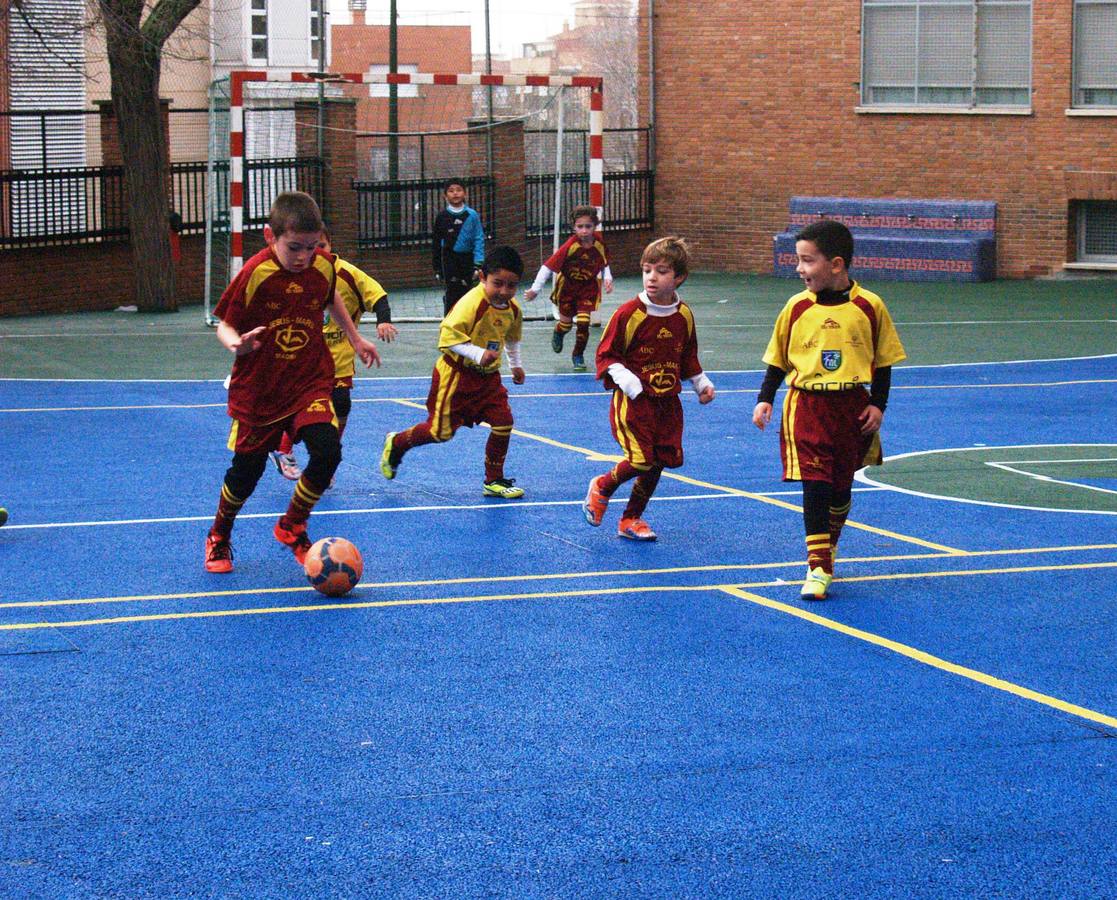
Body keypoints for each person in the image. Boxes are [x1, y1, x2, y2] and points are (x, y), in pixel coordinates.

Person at [204, 191, 380, 574]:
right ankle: (219, 534)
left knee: (328, 451)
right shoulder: (256, 273)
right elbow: (225, 324)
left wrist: (354, 337)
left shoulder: (322, 266)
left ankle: (292, 525)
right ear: (271, 237)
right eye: (294, 248)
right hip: (261, 388)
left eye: (312, 247)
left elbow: (331, 295)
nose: (304, 256)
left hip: (308, 379)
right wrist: (237, 344)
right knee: (246, 471)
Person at [752, 219, 906, 600]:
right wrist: (765, 397)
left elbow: (884, 361)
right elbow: (777, 358)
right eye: (798, 260)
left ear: (835, 265)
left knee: (840, 488)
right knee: (815, 485)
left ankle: (828, 544)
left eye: (808, 261)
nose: (800, 269)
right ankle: (818, 566)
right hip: (806, 405)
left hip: (852, 408)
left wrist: (878, 405)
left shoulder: (870, 306)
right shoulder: (796, 307)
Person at [582, 236, 715, 541]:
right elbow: (605, 356)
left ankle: (631, 519)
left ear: (678, 277)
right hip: (635, 404)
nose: (652, 277)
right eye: (647, 270)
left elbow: (687, 355)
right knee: (641, 459)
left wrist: (701, 383)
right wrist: (629, 383)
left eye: (662, 271)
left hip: (668, 403)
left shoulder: (683, 315)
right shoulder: (630, 314)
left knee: (659, 461)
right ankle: (602, 486)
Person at [380, 245, 527, 499]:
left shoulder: (513, 309)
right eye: (498, 283)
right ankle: (397, 443)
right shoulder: (471, 303)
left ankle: (494, 480)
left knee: (504, 422)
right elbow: (447, 338)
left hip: (488, 379)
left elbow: (512, 338)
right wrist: (478, 354)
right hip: (456, 375)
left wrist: (515, 364)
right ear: (482, 277)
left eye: (511, 285)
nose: (504, 292)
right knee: (440, 433)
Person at [269, 225, 398, 482]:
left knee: (341, 405)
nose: (315, 253)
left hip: (338, 359)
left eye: (321, 246)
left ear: (331, 247)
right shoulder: (294, 273)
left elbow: (378, 295)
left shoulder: (347, 274)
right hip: (304, 359)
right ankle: (283, 448)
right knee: (303, 410)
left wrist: (383, 320)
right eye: (308, 247)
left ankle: (325, 463)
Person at [524, 205, 613, 371]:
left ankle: (578, 355)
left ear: (595, 226)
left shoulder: (599, 244)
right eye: (580, 227)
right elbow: (547, 267)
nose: (584, 231)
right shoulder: (570, 246)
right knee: (566, 325)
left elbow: (605, 262)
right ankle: (559, 332)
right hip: (568, 288)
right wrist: (535, 289)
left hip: (588, 287)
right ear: (574, 227)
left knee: (584, 323)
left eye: (588, 226)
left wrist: (608, 278)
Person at [432, 179, 486, 316]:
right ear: (445, 196)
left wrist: (478, 264)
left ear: (465, 193)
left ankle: (469, 323)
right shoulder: (442, 217)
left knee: (469, 293)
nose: (455, 193)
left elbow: (478, 239)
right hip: (449, 260)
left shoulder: (472, 215)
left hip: (467, 260)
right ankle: (449, 323)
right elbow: (436, 243)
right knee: (452, 292)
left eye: (458, 190)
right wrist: (437, 266)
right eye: (451, 191)